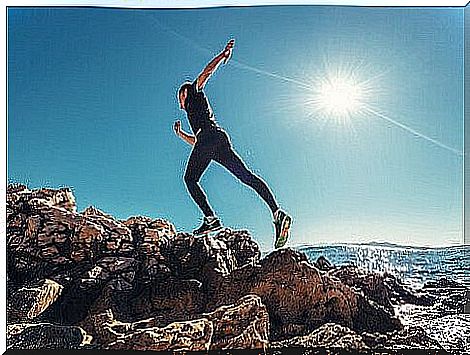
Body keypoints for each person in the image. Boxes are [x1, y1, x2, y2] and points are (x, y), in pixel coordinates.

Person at [174, 39, 292, 248]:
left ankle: (210, 219)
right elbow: (198, 143)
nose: (180, 105)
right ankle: (277, 212)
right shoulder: (196, 116)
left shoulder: (192, 92)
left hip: (209, 138)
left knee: (190, 179)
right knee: (246, 176)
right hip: (216, 139)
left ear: (184, 94)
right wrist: (182, 133)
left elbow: (205, 73)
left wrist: (222, 55)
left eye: (178, 100)